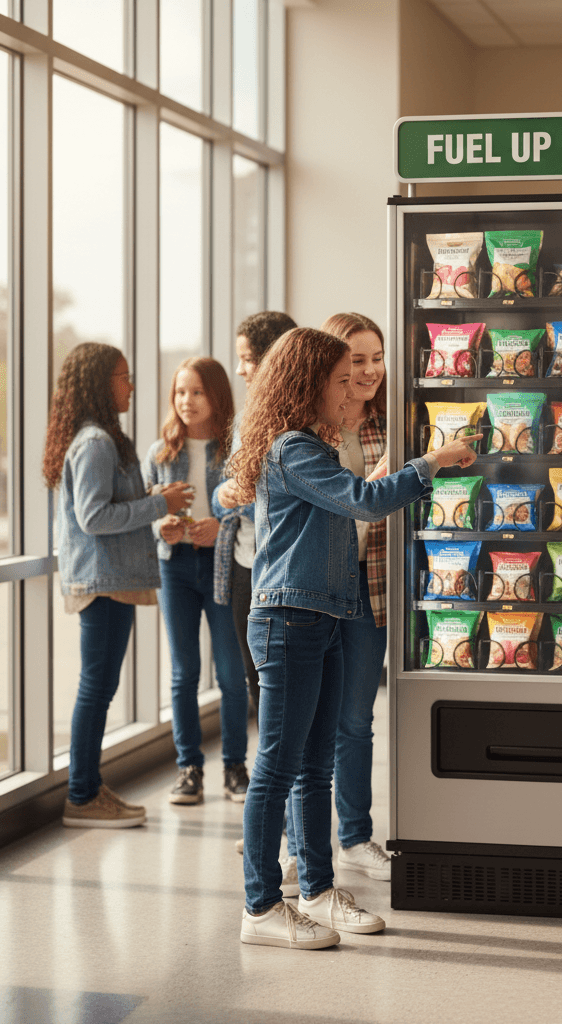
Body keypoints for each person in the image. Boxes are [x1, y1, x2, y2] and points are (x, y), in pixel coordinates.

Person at [232, 326, 481, 950]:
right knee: (277, 769)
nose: (354, 389)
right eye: (342, 379)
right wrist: (435, 462)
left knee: (315, 767)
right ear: (308, 384)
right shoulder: (292, 448)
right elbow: (365, 502)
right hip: (288, 621)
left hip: (328, 617)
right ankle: (261, 907)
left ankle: (317, 892)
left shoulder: (313, 444)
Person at [44, 343, 192, 828]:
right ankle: (82, 796)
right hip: (102, 581)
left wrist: (153, 498)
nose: (131, 385)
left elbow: (105, 505)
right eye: (123, 377)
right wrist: (158, 504)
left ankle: (88, 789)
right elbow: (93, 517)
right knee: (96, 689)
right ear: (99, 383)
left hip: (111, 579)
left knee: (99, 687)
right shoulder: (96, 442)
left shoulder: (103, 439)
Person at [212, 311, 299, 867]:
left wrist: (229, 492)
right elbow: (237, 483)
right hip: (247, 568)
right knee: (262, 696)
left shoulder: (290, 422)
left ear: (271, 358)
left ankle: (281, 834)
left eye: (247, 357)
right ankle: (274, 828)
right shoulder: (250, 416)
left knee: (281, 711)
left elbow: (251, 489)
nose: (240, 368)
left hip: (277, 577)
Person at [142, 358, 250, 805]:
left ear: (217, 396)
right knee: (183, 672)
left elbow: (248, 506)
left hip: (222, 564)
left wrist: (218, 527)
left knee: (230, 673)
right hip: (175, 567)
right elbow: (148, 507)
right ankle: (189, 769)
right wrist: (160, 525)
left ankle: (234, 768)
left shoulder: (235, 449)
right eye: (180, 392)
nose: (186, 401)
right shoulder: (160, 452)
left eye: (197, 392)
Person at [319, 312, 392, 882]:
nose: (368, 371)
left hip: (373, 590)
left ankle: (355, 837)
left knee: (355, 721)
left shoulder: (392, 422)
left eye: (375, 358)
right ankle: (299, 846)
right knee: (307, 724)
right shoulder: (309, 430)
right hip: (320, 592)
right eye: (355, 360)